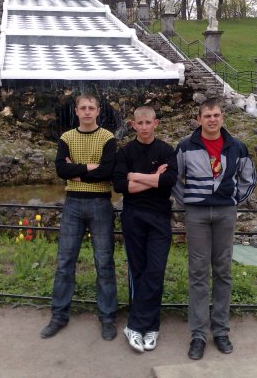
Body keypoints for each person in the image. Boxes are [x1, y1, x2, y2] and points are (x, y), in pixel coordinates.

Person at [173, 98, 257, 360]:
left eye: (216, 115)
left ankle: (220, 330)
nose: (212, 119)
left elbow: (249, 178)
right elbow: (174, 178)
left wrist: (233, 200)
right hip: (196, 214)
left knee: (223, 270)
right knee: (198, 272)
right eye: (207, 115)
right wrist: (188, 200)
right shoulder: (186, 146)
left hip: (225, 213)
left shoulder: (237, 146)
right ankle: (198, 334)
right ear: (199, 119)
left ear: (222, 118)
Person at [40, 94, 118, 341]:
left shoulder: (108, 137)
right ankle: (59, 315)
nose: (87, 111)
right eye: (82, 108)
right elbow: (60, 169)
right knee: (65, 262)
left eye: (91, 108)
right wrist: (90, 168)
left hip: (100, 203)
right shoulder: (66, 138)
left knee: (104, 263)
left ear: (98, 111)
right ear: (76, 111)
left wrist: (76, 172)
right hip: (73, 204)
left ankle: (108, 317)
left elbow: (108, 171)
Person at [112, 106, 178, 353]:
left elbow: (168, 181)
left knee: (156, 270)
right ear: (133, 124)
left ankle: (137, 325)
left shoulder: (166, 150)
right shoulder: (125, 151)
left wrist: (135, 176)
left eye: (148, 122)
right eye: (139, 123)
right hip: (133, 217)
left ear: (156, 123)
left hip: (159, 217)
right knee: (138, 271)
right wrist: (152, 178)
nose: (144, 127)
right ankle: (148, 328)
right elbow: (120, 186)